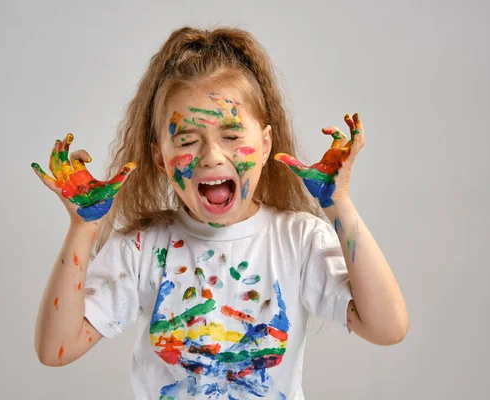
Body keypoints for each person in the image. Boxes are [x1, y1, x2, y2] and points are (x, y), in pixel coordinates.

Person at [32, 26, 409, 399]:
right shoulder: (144, 246)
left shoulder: (298, 239)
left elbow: (387, 328)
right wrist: (83, 227)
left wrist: (338, 204)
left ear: (264, 145)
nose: (211, 156)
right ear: (160, 159)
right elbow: (55, 349)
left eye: (231, 137)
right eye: (187, 140)